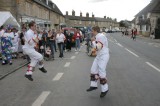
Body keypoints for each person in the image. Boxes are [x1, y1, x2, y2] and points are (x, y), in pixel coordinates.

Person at [86, 26, 110, 98]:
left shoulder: (101, 36)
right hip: (99, 55)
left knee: (101, 71)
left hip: (104, 56)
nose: (91, 32)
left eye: (92, 31)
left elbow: (98, 47)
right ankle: (93, 85)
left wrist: (93, 41)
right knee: (93, 69)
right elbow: (95, 48)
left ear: (95, 30)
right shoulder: (97, 36)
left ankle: (104, 89)